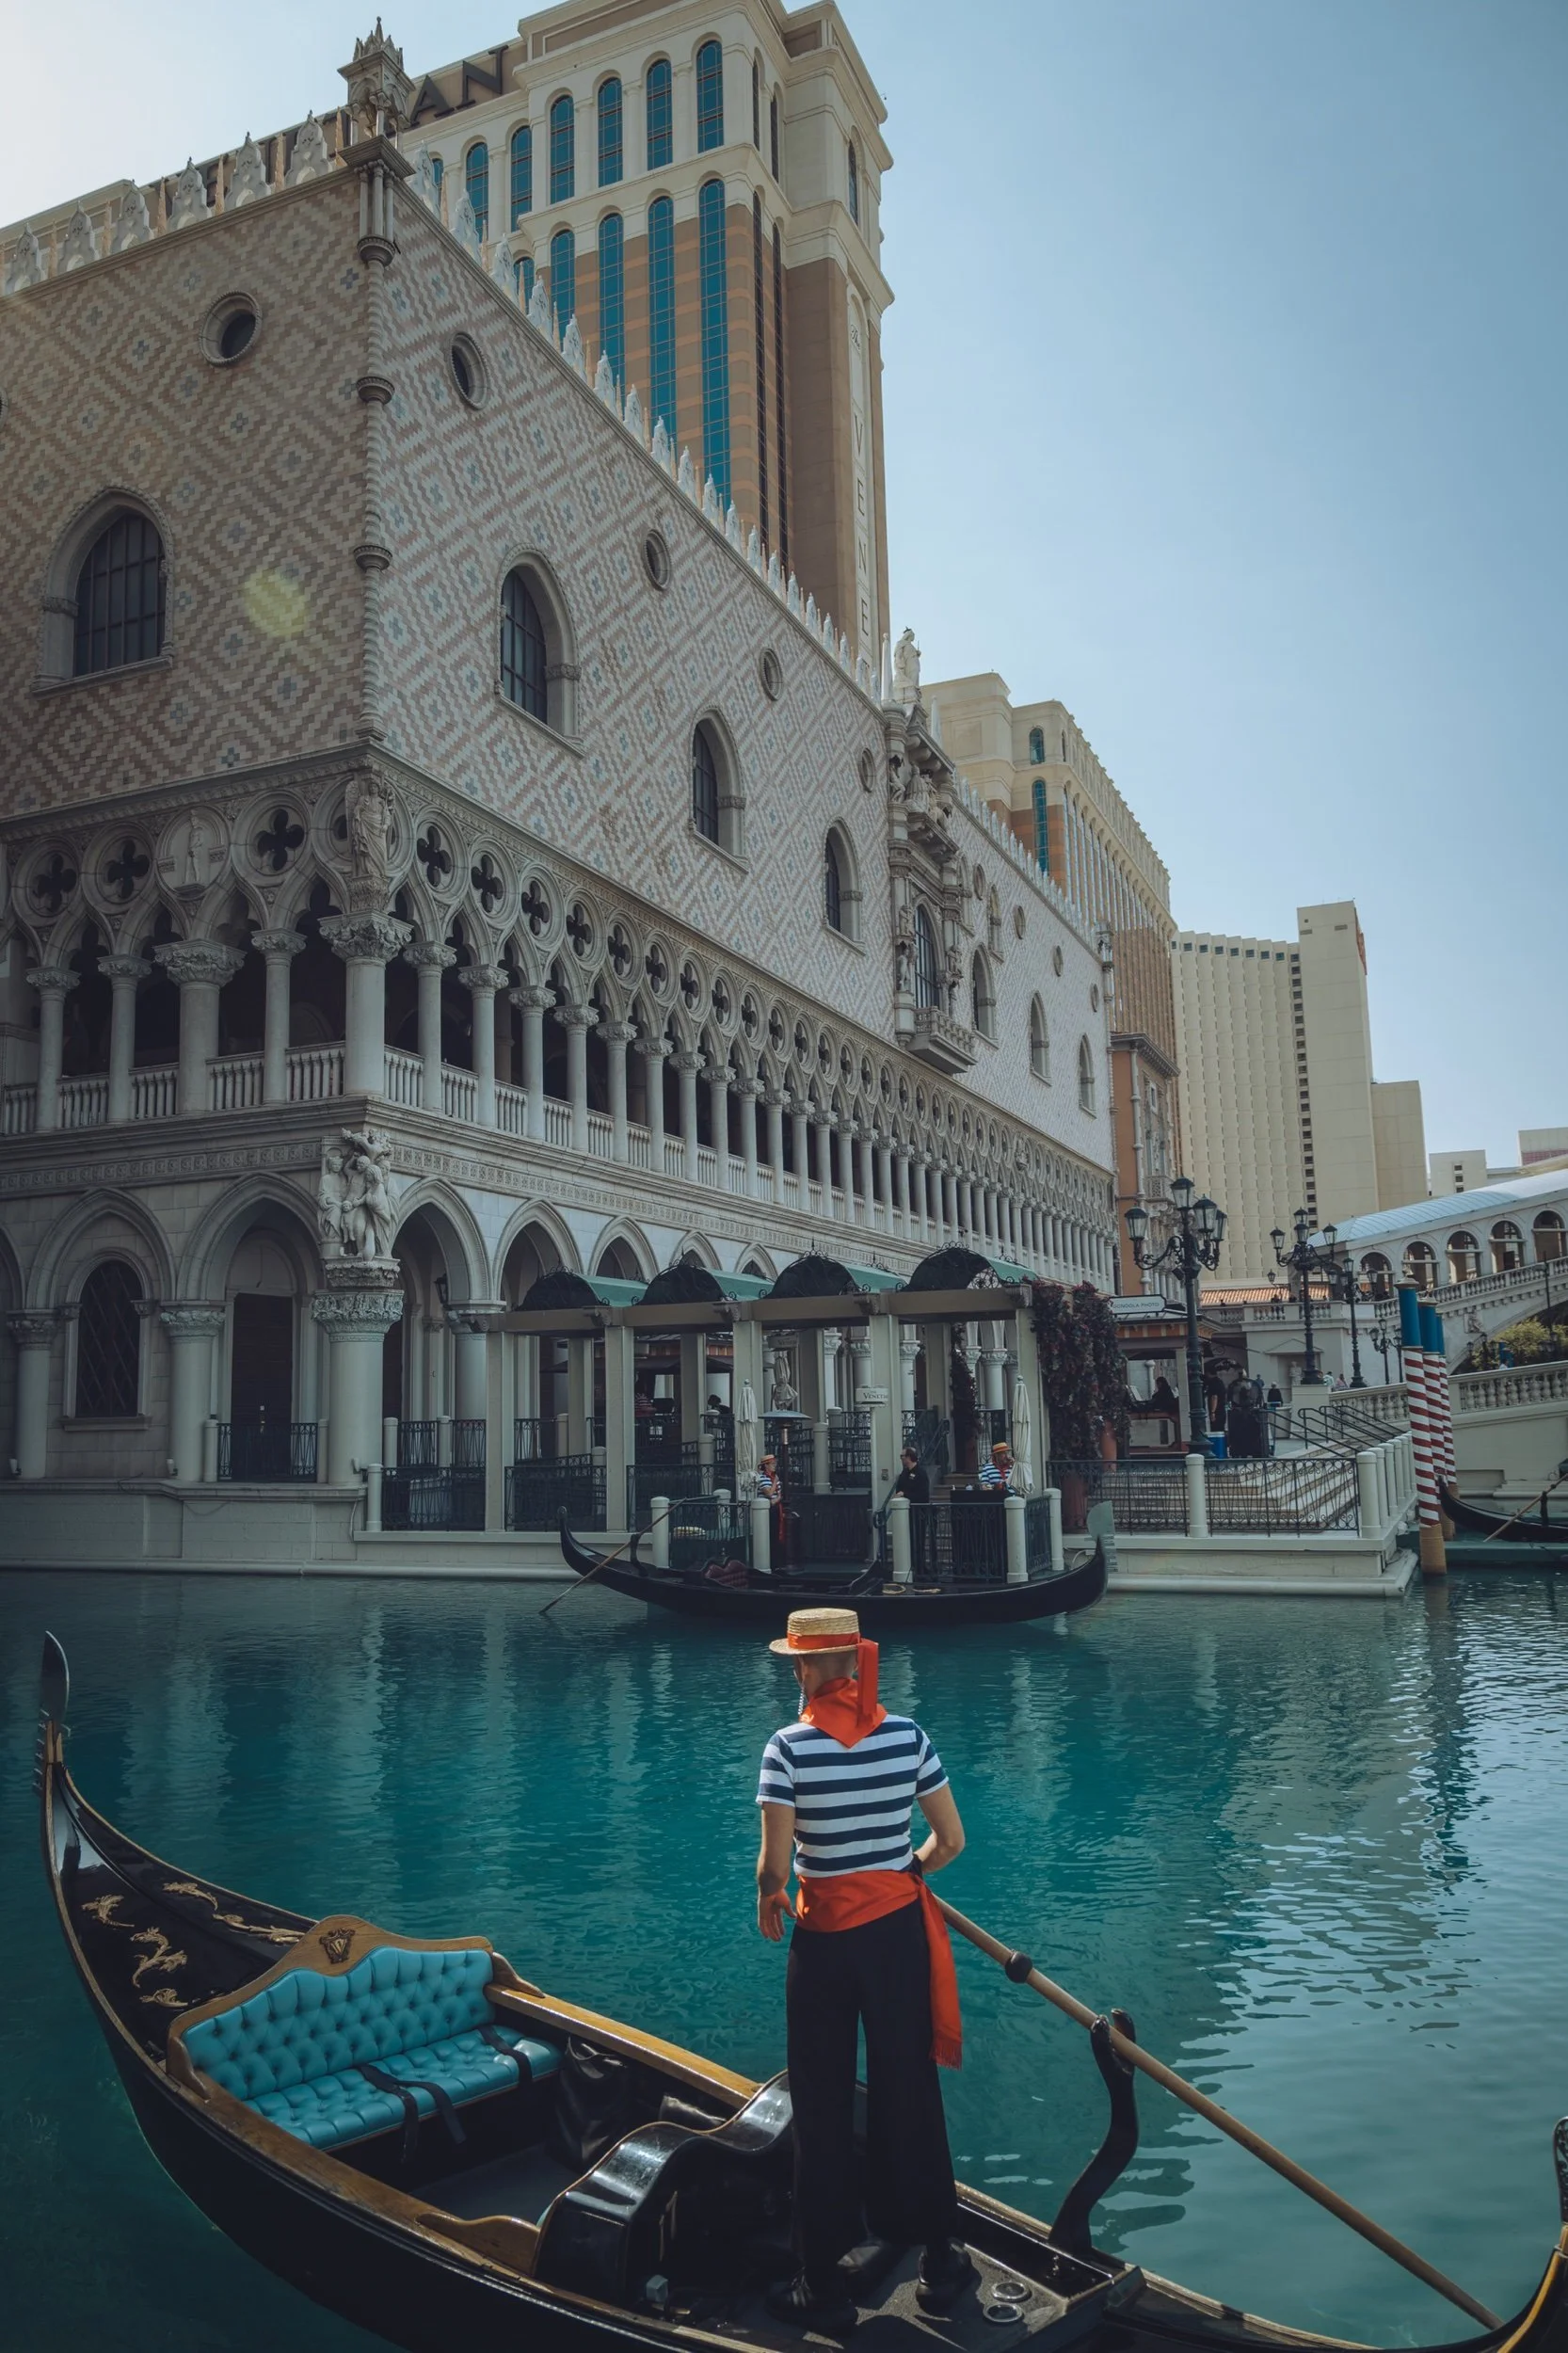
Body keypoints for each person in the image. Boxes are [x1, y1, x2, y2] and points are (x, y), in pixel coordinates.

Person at [757, 1609, 972, 2332]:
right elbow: (949, 1841)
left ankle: (821, 2279)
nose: (793, 1671)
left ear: (808, 1669)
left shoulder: (785, 1749)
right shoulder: (910, 1736)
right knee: (906, 2083)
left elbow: (774, 1867)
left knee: (819, 2102)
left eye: (796, 1662)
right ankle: (940, 2257)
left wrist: (769, 1895)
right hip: (896, 1934)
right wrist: (901, 1869)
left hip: (823, 1947)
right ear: (858, 1662)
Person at [891, 1445, 931, 1578]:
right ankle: (911, 1565)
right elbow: (899, 1489)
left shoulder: (921, 1473)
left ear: (909, 1457)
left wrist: (906, 1494)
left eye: (902, 1456)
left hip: (918, 1513)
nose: (901, 1459)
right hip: (905, 1515)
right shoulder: (904, 1473)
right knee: (908, 1541)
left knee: (918, 1540)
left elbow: (923, 1494)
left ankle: (920, 1568)